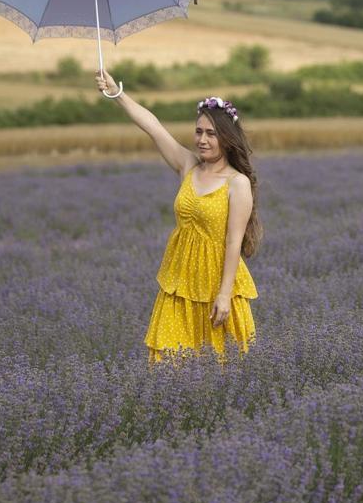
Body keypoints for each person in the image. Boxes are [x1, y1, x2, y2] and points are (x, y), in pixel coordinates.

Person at [97, 69, 260, 361]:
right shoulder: (188, 166)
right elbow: (154, 127)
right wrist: (116, 93)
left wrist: (224, 295)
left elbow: (234, 243)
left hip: (216, 286)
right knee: (169, 363)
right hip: (179, 282)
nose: (203, 140)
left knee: (221, 365)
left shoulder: (238, 183)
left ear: (227, 139)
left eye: (211, 134)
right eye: (199, 132)